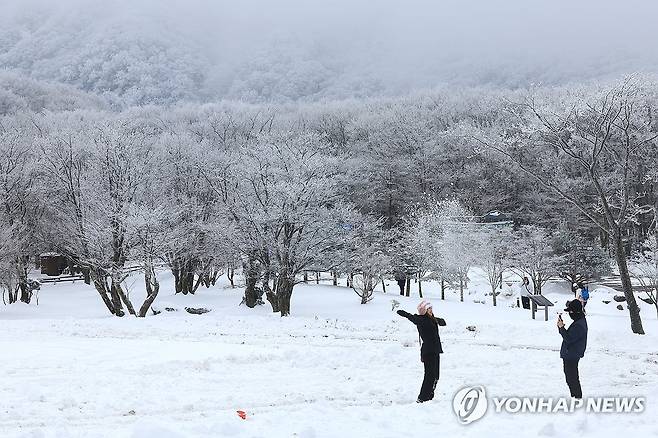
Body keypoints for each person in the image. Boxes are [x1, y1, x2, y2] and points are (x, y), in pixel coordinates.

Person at [397, 300, 447, 403]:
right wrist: (405, 314)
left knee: (436, 376)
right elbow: (413, 318)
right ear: (424, 310)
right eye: (428, 309)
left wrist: (440, 321)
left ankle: (429, 397)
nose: (431, 310)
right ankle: (422, 398)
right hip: (428, 352)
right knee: (429, 376)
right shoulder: (421, 320)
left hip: (436, 350)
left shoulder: (432, 319)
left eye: (431, 308)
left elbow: (442, 322)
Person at [557, 300, 588, 399]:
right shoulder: (579, 321)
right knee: (571, 377)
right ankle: (575, 396)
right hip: (571, 353)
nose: (569, 314)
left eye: (570, 312)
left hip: (572, 354)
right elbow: (569, 337)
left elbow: (569, 339)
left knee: (572, 378)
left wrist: (562, 328)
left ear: (576, 312)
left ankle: (577, 397)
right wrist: (561, 328)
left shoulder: (578, 325)